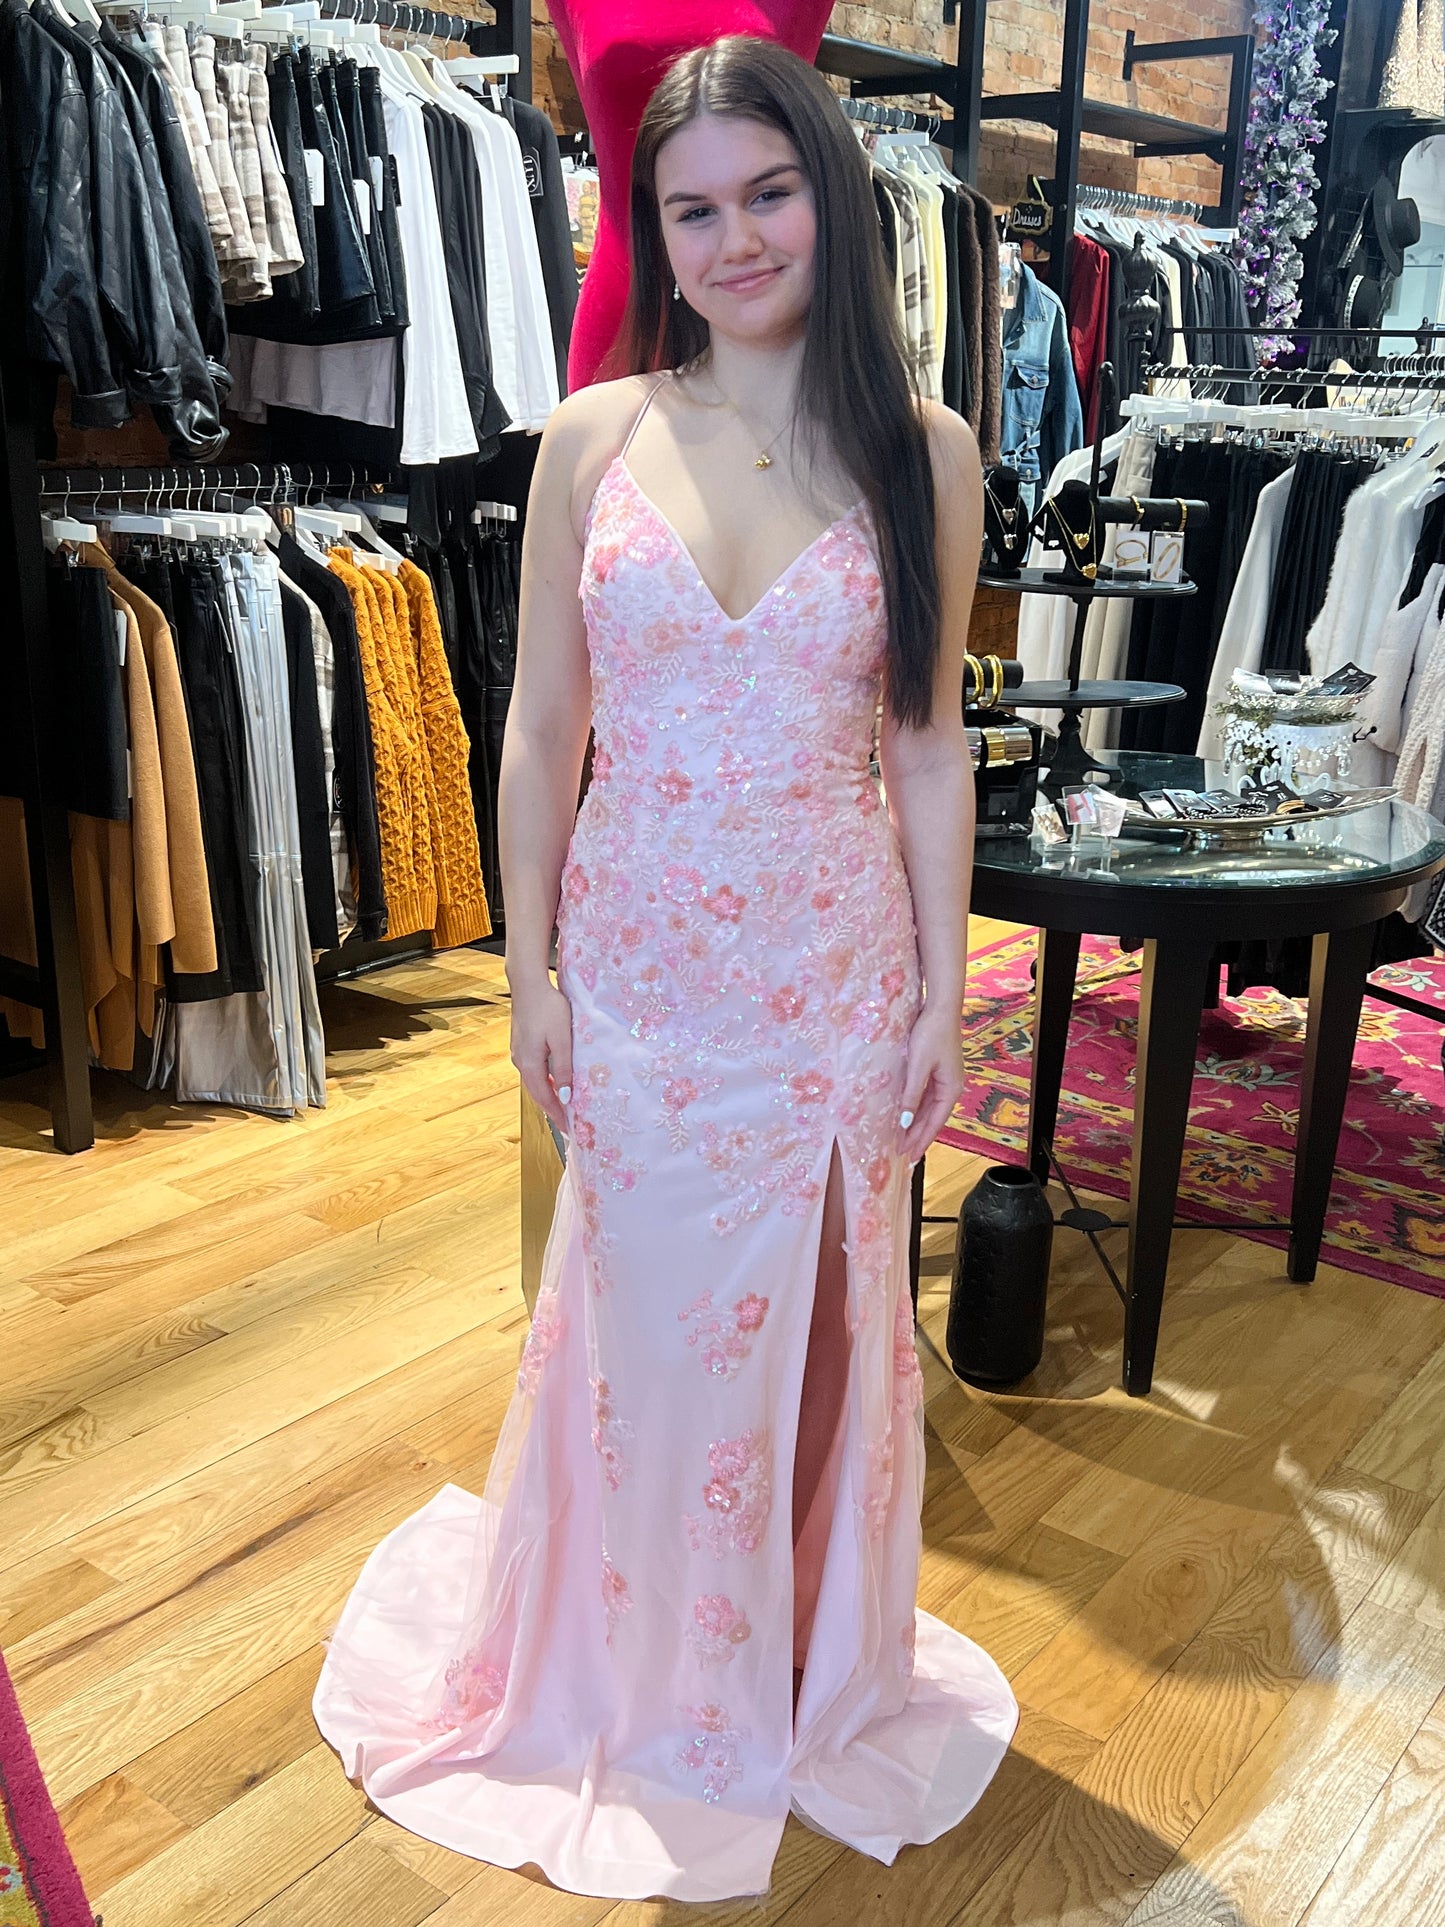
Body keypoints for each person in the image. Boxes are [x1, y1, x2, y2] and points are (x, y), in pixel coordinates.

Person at [312, 35, 1017, 1903]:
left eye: (768, 193)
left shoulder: (925, 453)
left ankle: (779, 1668)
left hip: (828, 971)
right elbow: (542, 728)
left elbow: (927, 744)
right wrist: (528, 971)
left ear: (832, 198)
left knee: (822, 1330)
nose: (735, 239)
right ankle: (625, 1664)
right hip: (633, 974)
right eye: (691, 210)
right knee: (639, 1330)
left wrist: (945, 991)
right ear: (652, 232)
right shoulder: (593, 437)